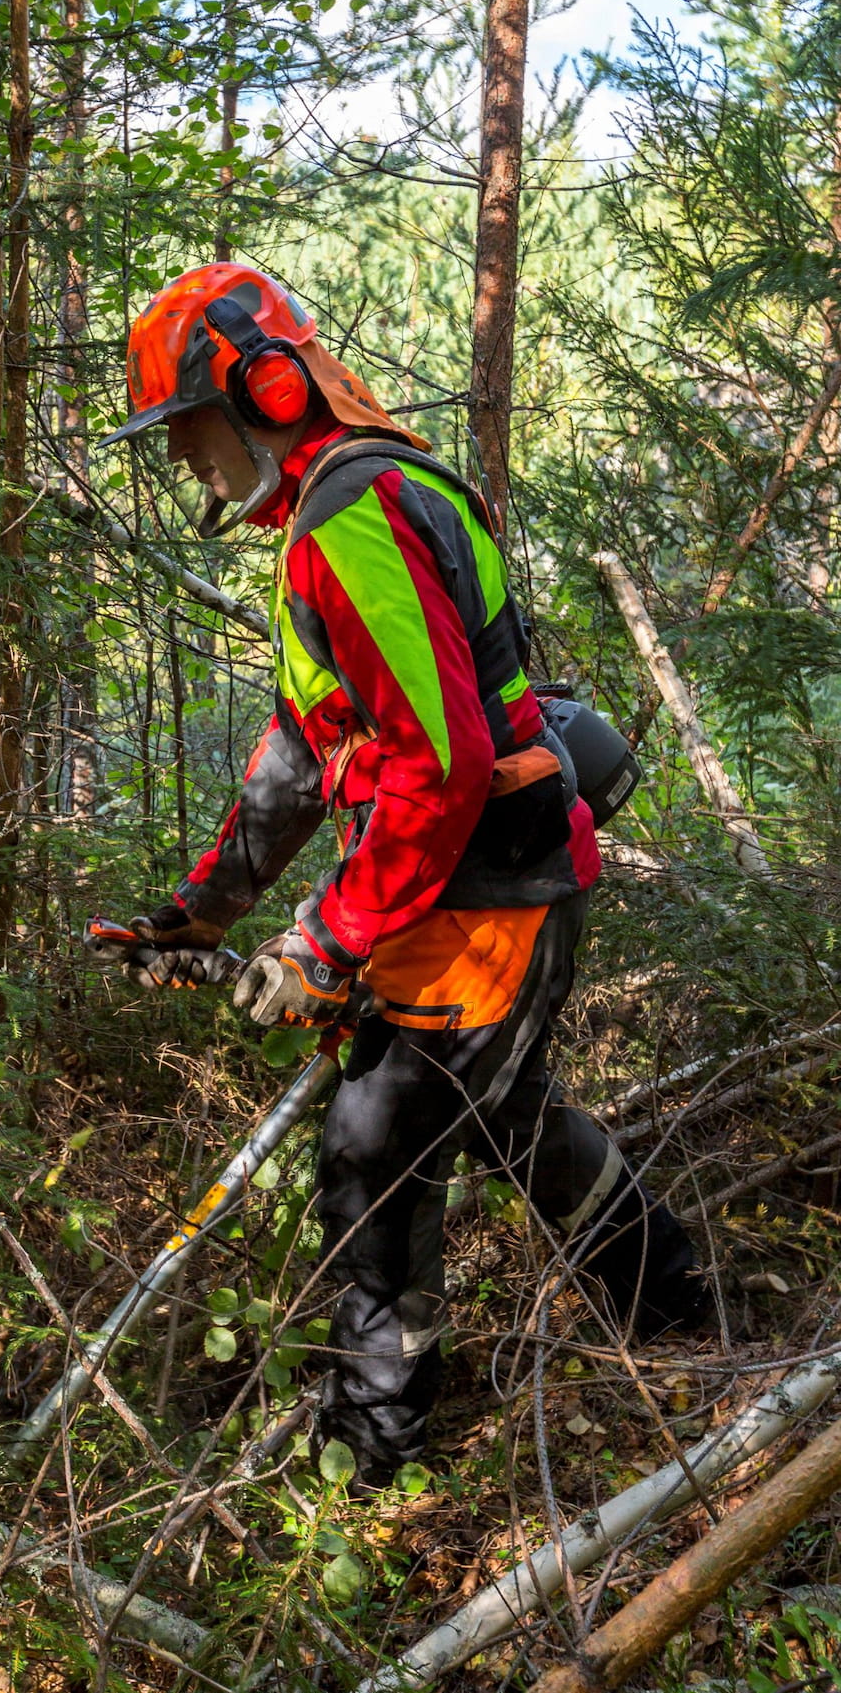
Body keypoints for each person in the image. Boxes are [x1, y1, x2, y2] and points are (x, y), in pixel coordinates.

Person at [98, 262, 709, 1487]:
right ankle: (676, 1304)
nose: (181, 462)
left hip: (485, 887)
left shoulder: (352, 514)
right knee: (502, 1117)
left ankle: (371, 1456)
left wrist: (326, 938)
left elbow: (441, 759)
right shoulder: (328, 514)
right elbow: (302, 749)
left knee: (376, 1143)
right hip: (455, 886)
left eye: (187, 428)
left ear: (261, 389)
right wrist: (200, 911)